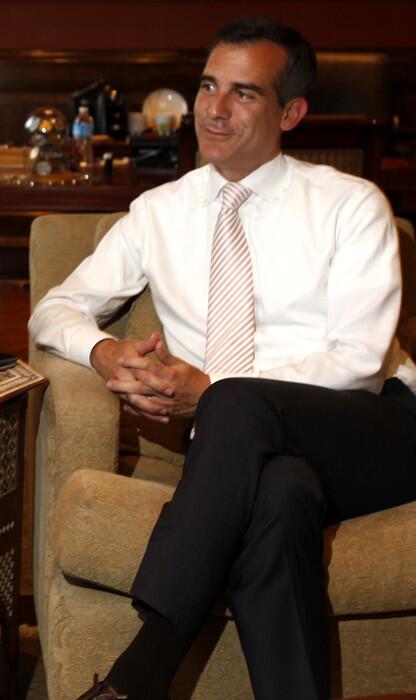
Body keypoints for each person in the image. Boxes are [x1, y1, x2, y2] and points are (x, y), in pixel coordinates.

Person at [29, 18, 416, 700]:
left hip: (374, 430)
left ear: (291, 112)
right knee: (282, 494)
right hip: (252, 454)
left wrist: (212, 390)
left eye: (244, 94)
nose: (213, 108)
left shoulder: (352, 206)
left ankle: (142, 671)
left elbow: (357, 362)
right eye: (208, 86)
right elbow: (54, 309)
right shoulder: (158, 212)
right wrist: (106, 349)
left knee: (232, 399)